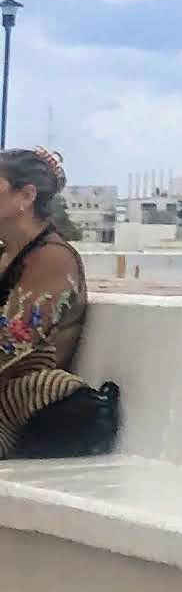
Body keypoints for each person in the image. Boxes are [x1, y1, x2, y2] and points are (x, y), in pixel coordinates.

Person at [0, 150, 113, 458]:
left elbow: (11, 343)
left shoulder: (52, 259)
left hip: (11, 409)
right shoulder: (7, 254)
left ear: (25, 195)